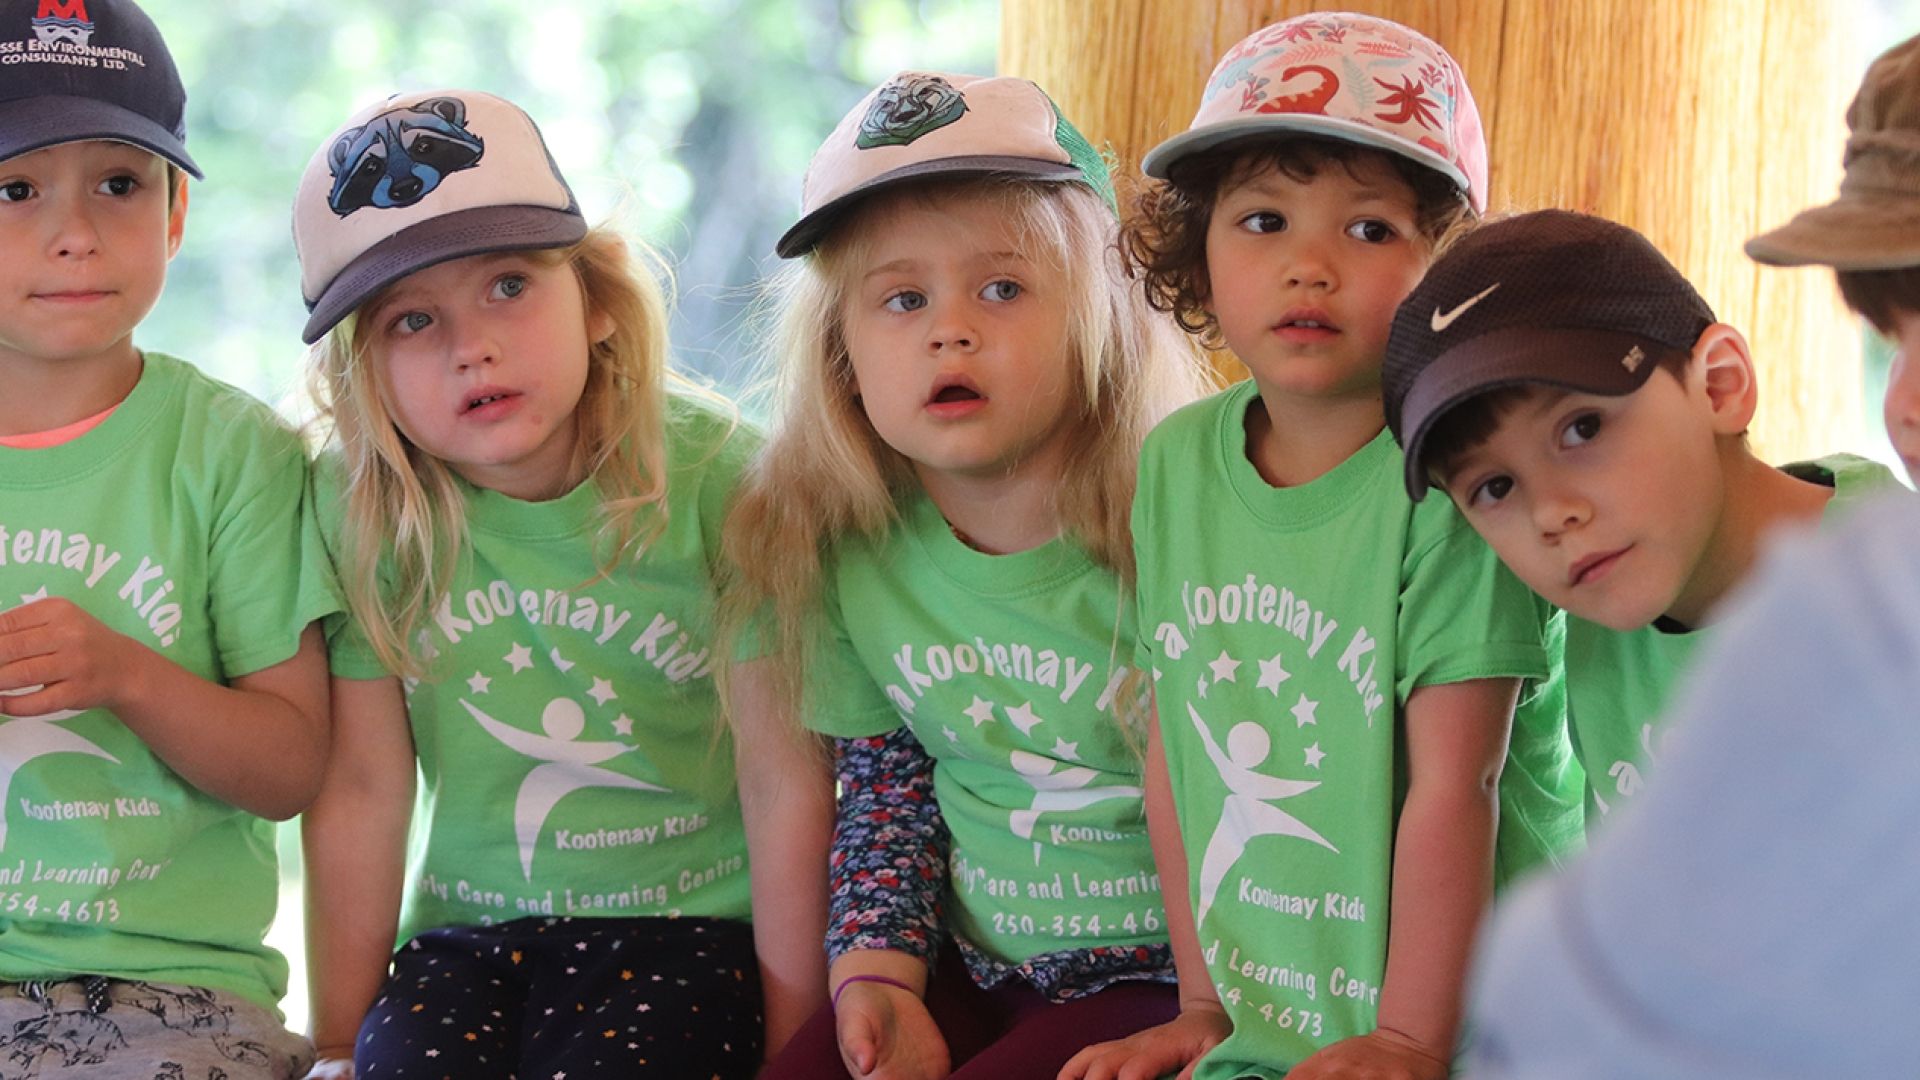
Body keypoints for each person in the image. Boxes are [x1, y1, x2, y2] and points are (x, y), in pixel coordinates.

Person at [1065, 13, 1578, 1080]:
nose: (1309, 265)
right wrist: (1203, 1005)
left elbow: (1461, 785)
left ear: (1447, 272)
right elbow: (1178, 743)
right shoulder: (1177, 462)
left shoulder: (1457, 480)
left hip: (1485, 1027)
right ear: (1198, 253)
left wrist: (1408, 1043)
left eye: (1370, 229)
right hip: (1278, 1020)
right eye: (1263, 220)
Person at [292, 88, 829, 1079]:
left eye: (509, 284)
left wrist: (797, 1048)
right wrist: (334, 1044)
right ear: (363, 371)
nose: (471, 346)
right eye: (412, 319)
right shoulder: (366, 511)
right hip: (464, 944)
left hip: (689, 935)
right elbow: (365, 788)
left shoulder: (728, 483)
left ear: (597, 298)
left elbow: (782, 775)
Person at [725, 71, 1209, 1080]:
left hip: (1167, 982)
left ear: (1104, 318)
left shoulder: (1182, 528)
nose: (950, 330)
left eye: (1002, 289)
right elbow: (890, 790)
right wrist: (876, 978)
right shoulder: (858, 550)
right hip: (969, 968)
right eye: (903, 299)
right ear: (842, 355)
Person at [1464, 34, 1920, 1077]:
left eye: (1584, 429)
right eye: (1896, 338)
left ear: (1721, 386)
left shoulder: (1874, 603)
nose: (1905, 403)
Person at [0, 1, 333, 1075]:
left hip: (170, 998)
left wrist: (126, 674)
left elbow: (290, 767)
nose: (76, 233)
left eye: (119, 184)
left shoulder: (234, 452)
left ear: (177, 211)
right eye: (14, 190)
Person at [1382, 209, 1900, 827]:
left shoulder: (1891, 589)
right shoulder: (1604, 627)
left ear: (1720, 385)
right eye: (1495, 487)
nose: (1550, 513)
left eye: (1582, 428)